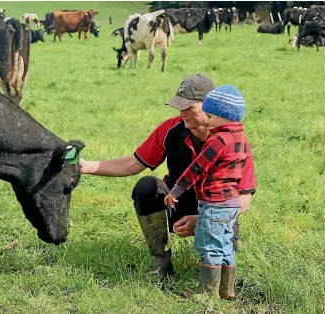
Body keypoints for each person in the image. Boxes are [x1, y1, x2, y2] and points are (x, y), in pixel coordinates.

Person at [79, 74, 256, 287]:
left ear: (209, 105)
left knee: (228, 226)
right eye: (179, 107)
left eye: (188, 107)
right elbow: (133, 163)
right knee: (147, 187)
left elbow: (244, 200)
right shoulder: (172, 129)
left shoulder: (234, 140)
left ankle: (219, 284)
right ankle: (160, 262)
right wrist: (86, 166)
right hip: (176, 202)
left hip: (216, 209)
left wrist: (201, 220)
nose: (182, 113)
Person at [164, 85, 251, 299]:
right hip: (232, 202)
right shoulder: (241, 138)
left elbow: (196, 168)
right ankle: (226, 289)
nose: (208, 120)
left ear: (223, 115)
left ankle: (206, 292)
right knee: (224, 242)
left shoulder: (217, 140)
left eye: (210, 116)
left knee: (207, 245)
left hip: (214, 202)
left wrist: (176, 190)